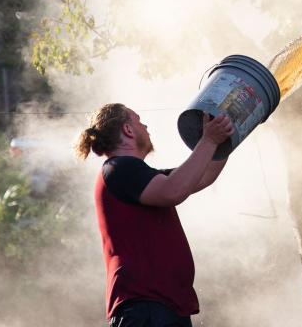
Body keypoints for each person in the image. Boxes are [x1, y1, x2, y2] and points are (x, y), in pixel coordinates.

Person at [74, 103, 235, 327]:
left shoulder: (138, 174)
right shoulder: (119, 168)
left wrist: (228, 135)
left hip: (161, 306)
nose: (146, 126)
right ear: (128, 130)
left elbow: (203, 175)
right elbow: (174, 191)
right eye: (139, 120)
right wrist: (208, 141)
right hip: (145, 308)